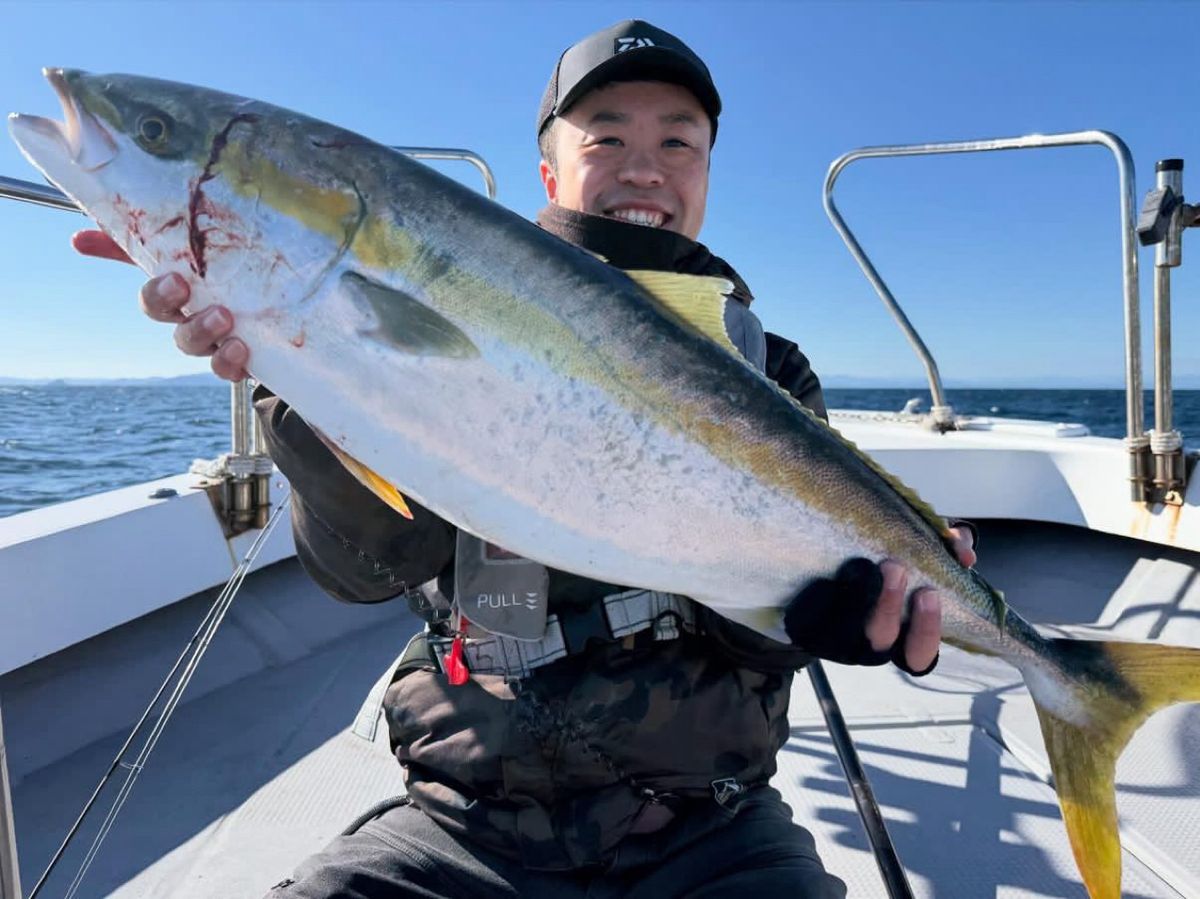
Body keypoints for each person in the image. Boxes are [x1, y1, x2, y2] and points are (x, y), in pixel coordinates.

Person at [76, 20, 975, 898]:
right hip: (462, 825)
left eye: (678, 140)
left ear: (707, 172)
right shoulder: (433, 298)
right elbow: (369, 570)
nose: (645, 166)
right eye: (607, 136)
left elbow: (761, 615)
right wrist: (298, 379)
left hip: (713, 825)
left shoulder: (768, 368)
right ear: (550, 168)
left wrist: (829, 615)